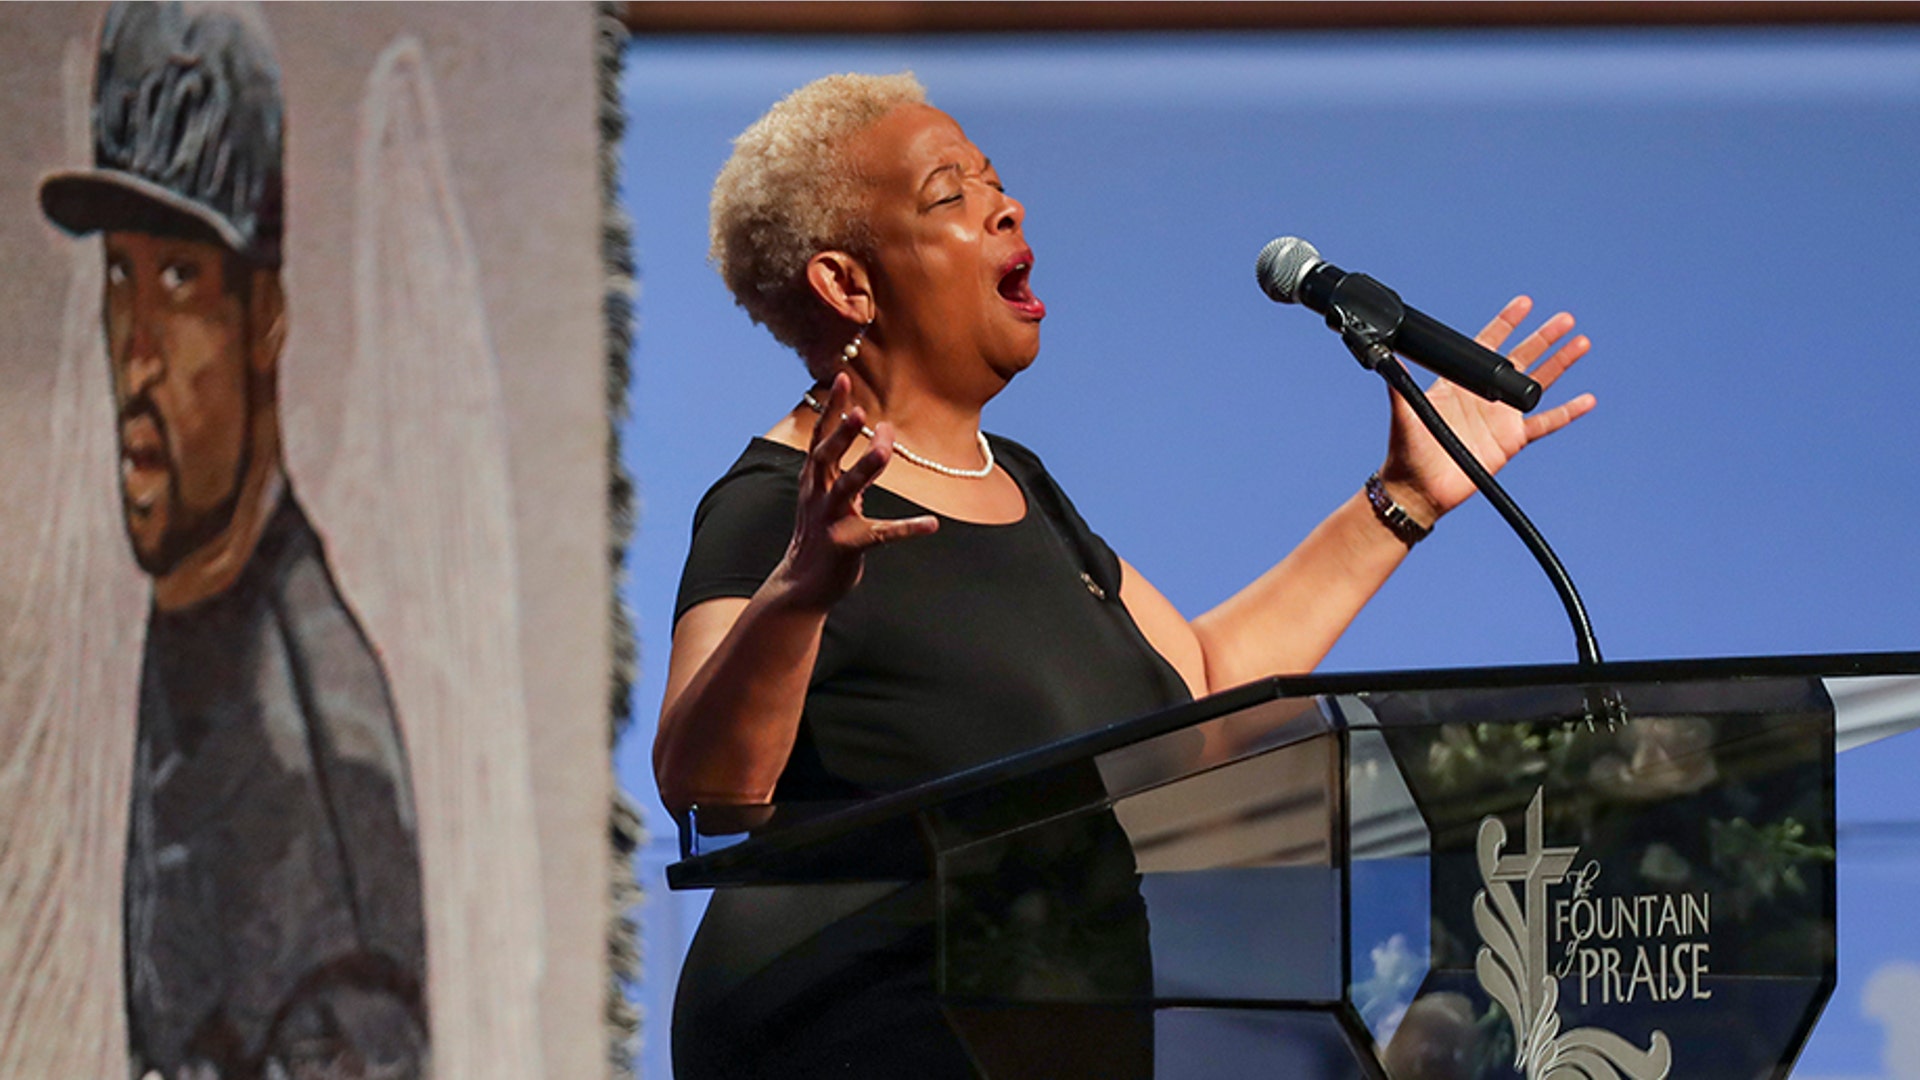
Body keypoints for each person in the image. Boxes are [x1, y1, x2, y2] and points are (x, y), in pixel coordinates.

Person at [655, 72, 1595, 1079]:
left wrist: (1401, 497)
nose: (1005, 205)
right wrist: (797, 595)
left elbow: (1197, 689)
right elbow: (710, 789)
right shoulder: (777, 502)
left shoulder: (1024, 485)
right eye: (949, 196)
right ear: (847, 284)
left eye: (993, 182)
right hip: (861, 1034)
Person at [38, 4, 429, 1077]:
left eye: (180, 283)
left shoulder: (307, 756)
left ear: (264, 319)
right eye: (120, 276)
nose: (139, 356)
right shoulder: (198, 615)